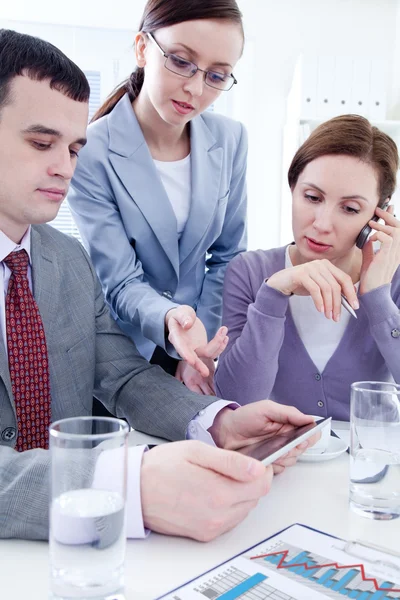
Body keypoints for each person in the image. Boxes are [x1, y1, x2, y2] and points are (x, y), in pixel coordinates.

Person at [0, 29, 316, 542]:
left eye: (75, 148)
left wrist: (216, 422)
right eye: (41, 143)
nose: (65, 169)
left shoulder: (67, 260)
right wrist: (125, 484)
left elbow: (121, 374)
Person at [67, 0, 248, 396]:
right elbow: (119, 280)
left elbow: (228, 255)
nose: (196, 89)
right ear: (142, 48)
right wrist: (173, 322)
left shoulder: (230, 140)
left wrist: (197, 349)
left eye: (218, 75)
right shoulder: (92, 149)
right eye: (181, 61)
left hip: (201, 348)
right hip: (123, 349)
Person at [215, 115, 400, 420]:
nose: (322, 224)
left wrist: (378, 298)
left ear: (379, 214)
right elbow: (236, 401)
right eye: (312, 197)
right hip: (281, 461)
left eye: (350, 208)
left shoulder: (393, 276)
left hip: (370, 461)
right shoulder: (249, 271)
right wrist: (272, 296)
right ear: (293, 186)